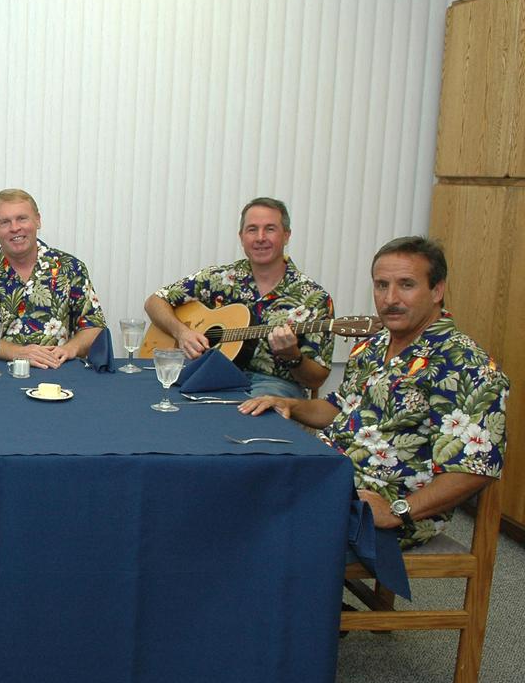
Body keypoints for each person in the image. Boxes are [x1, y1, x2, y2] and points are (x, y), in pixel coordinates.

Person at [239, 237, 509, 549]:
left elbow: (475, 469)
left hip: (385, 504)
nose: (390, 298)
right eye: (381, 285)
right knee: (239, 480)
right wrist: (286, 403)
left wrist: (398, 512)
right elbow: (339, 409)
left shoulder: (463, 363)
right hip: (331, 475)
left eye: (406, 285)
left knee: (255, 519)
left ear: (437, 291)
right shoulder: (374, 344)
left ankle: (295, 594)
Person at [144, 197, 333, 397]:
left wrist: (292, 356)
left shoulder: (315, 298)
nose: (260, 237)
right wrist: (182, 333)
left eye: (270, 229)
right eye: (252, 229)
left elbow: (316, 379)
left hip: (273, 386)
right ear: (241, 237)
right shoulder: (219, 279)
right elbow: (155, 301)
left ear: (286, 236)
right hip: (210, 377)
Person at [0, 189, 105, 369]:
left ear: (38, 220)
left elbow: (94, 325)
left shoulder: (71, 268)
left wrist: (70, 349)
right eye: (5, 222)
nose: (15, 228)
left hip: (59, 373)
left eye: (22, 218)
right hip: (0, 375)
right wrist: (19, 353)